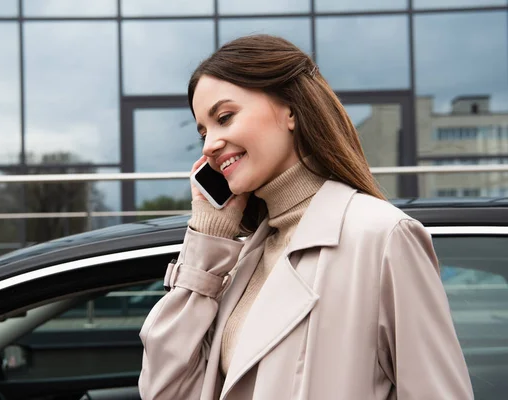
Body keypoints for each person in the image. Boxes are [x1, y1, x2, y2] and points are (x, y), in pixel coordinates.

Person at [138, 34, 473, 399]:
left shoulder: (382, 236)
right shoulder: (242, 262)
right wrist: (206, 239)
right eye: (203, 130)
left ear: (291, 110)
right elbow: (165, 391)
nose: (209, 145)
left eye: (225, 117)